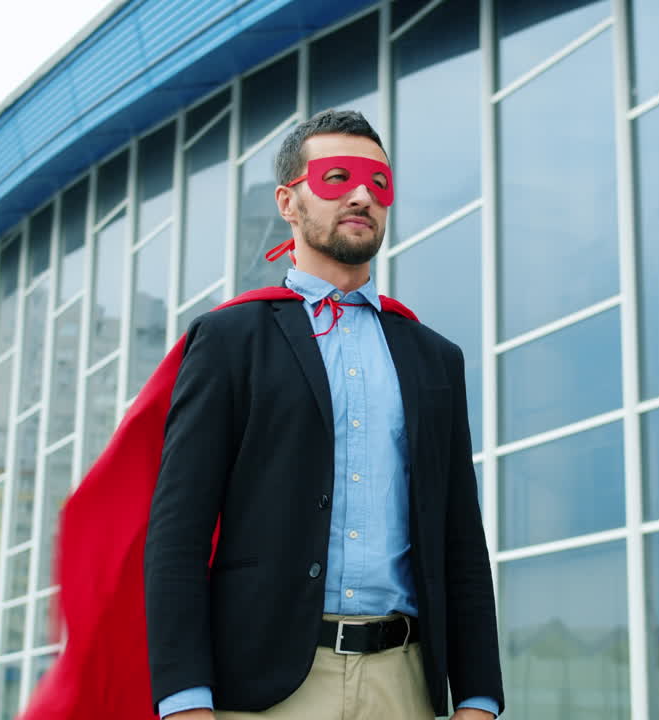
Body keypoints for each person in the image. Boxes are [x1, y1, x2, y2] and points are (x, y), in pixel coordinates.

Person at [144, 109, 504, 719]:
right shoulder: (231, 339)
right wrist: (184, 702)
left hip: (405, 685)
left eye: (379, 184)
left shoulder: (434, 358)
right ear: (289, 201)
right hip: (267, 689)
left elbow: (460, 539)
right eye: (338, 177)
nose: (363, 195)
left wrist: (478, 698)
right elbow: (178, 533)